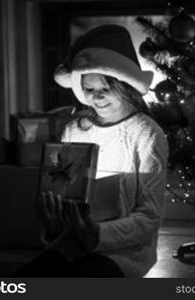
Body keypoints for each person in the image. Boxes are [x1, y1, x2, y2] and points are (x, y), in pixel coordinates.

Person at [15, 25, 169, 278]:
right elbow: (61, 188)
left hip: (124, 254)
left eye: (105, 89)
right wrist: (55, 221)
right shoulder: (75, 129)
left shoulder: (147, 134)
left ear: (125, 84)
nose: (96, 98)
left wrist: (97, 232)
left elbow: (149, 217)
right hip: (72, 244)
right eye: (88, 89)